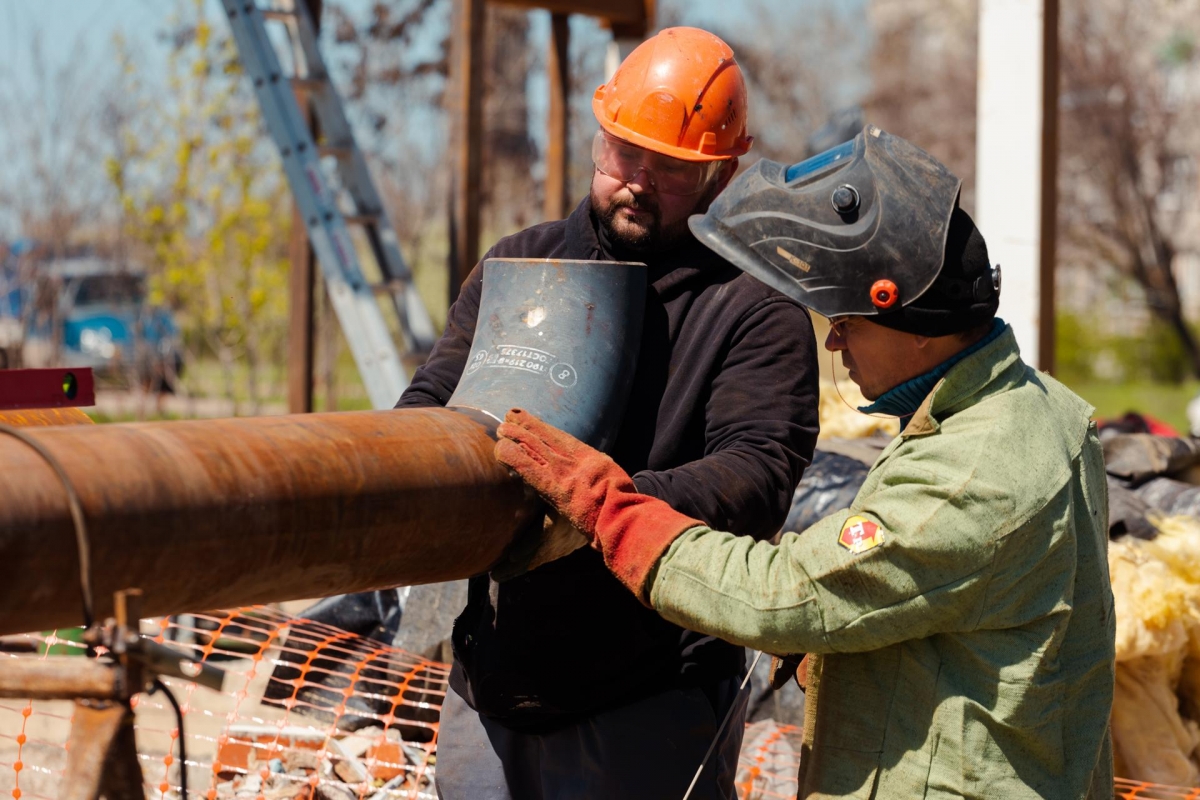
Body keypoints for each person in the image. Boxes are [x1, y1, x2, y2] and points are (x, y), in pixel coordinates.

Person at [495, 126, 1116, 799]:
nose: (836, 337)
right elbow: (944, 586)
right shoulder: (1041, 411)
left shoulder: (972, 470)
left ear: (915, 330)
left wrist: (606, 509)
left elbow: (782, 597)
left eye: (847, 317)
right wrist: (854, 616)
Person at [397, 27, 821, 800]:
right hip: (491, 683)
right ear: (601, 139)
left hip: (650, 698)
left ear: (721, 174)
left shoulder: (754, 308)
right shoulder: (518, 268)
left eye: (673, 169)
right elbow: (428, 409)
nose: (639, 181)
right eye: (626, 155)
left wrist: (602, 504)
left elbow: (757, 472)